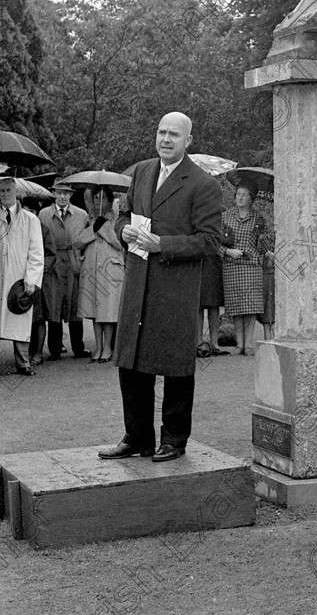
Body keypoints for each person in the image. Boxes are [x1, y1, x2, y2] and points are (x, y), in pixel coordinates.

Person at [99, 111, 222, 463]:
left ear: (188, 141)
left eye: (174, 135)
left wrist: (162, 245)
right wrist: (122, 230)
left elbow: (209, 242)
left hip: (175, 289)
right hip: (138, 284)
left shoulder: (203, 184)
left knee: (175, 366)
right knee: (131, 362)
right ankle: (136, 436)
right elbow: (122, 216)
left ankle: (174, 439)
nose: (166, 139)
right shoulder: (140, 172)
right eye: (161, 132)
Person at [38, 180, 91, 359]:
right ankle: (54, 348)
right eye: (58, 192)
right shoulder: (43, 214)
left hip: (73, 263)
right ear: (53, 193)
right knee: (54, 306)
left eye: (65, 193)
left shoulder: (81, 215)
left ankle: (78, 347)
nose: (62, 196)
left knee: (75, 306)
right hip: (53, 264)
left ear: (71, 195)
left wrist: (82, 259)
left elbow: (86, 239)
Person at [72, 186, 125, 363]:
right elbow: (77, 241)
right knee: (94, 310)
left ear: (109, 200)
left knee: (108, 310)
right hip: (91, 268)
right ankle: (99, 346)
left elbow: (119, 242)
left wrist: (103, 227)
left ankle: (108, 346)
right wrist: (93, 228)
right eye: (95, 196)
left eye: (102, 197)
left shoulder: (117, 218)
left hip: (110, 270)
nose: (98, 200)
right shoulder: (88, 219)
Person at [0, 176, 44, 375]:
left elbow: (36, 252)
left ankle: (23, 362)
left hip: (18, 279)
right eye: (1, 191)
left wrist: (32, 279)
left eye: (8, 190)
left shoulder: (30, 219)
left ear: (16, 192)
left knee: (19, 318)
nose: (5, 195)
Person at [220, 184, 266, 355]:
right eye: (238, 194)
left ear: (251, 199)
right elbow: (214, 241)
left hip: (252, 264)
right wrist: (228, 252)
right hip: (231, 265)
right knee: (236, 307)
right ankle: (239, 344)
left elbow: (264, 243)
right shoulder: (225, 217)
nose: (240, 198)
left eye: (244, 195)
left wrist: (263, 237)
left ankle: (248, 345)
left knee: (250, 307)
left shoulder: (257, 218)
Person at [21, 198, 58, 366]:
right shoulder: (18, 228)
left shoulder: (44, 230)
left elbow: (50, 255)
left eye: (31, 211)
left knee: (39, 318)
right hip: (20, 281)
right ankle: (24, 353)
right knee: (24, 318)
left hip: (39, 280)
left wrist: (36, 272)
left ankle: (37, 352)